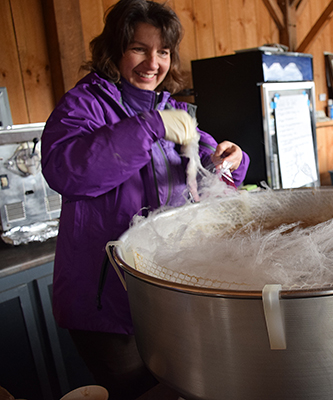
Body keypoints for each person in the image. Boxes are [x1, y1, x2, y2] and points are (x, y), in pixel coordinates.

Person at [41, 1, 249, 398]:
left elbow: (212, 173)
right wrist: (149, 128)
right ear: (115, 49)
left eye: (164, 52)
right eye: (139, 48)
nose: (153, 63)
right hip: (105, 300)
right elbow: (68, 172)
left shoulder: (170, 108)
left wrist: (232, 158)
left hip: (164, 292)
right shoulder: (82, 106)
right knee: (137, 391)